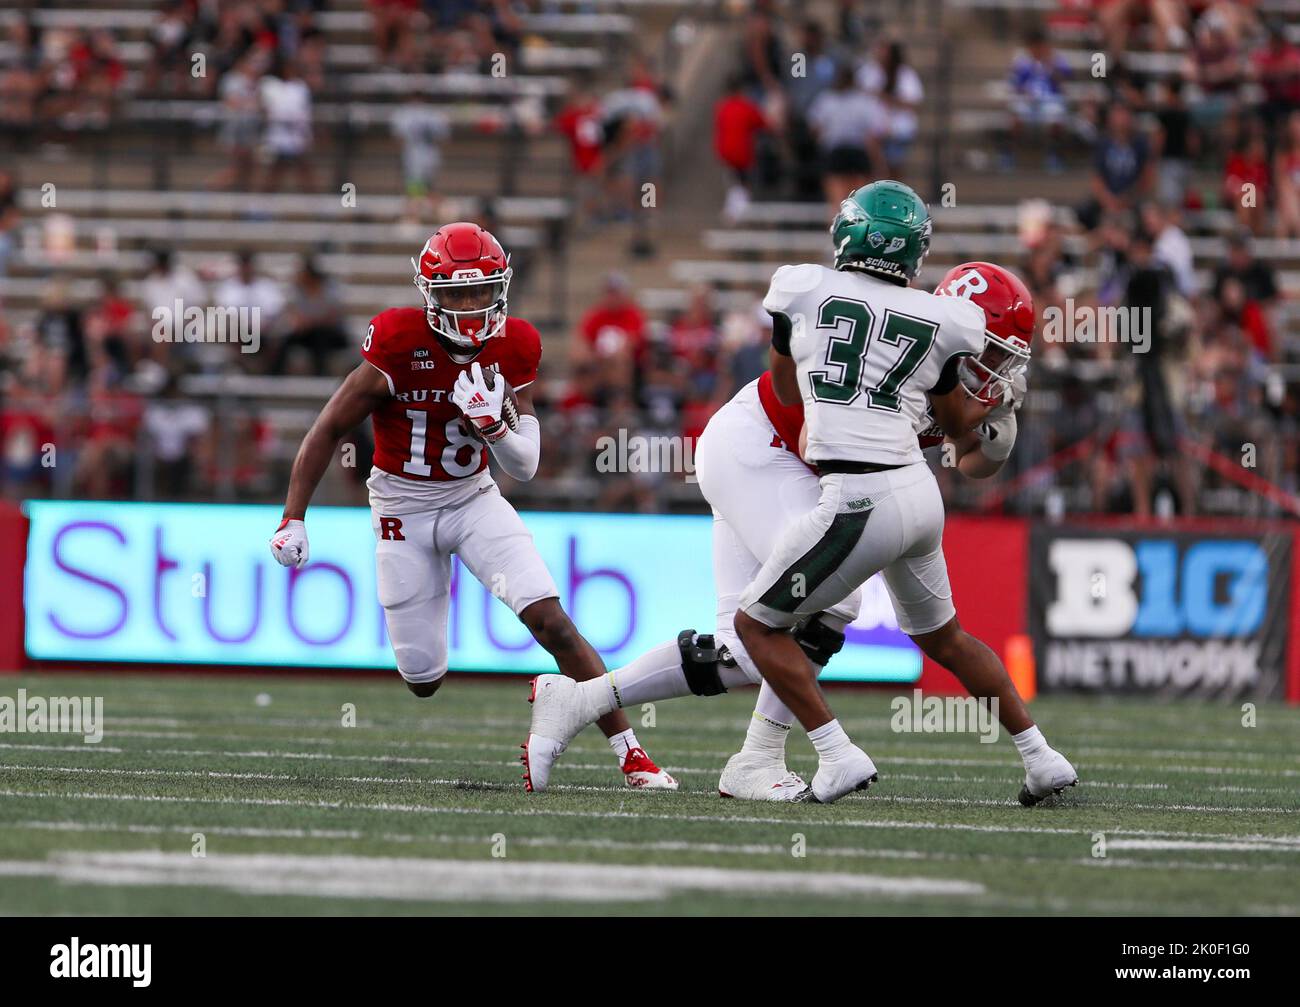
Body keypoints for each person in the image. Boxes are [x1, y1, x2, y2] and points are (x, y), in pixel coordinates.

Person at [528, 185, 1077, 806]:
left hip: (819, 473)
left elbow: (964, 454)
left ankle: (598, 706)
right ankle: (787, 754)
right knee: (820, 612)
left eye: (1002, 358)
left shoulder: (922, 344)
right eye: (989, 353)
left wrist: (992, 436)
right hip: (761, 448)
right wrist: (973, 426)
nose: (992, 366)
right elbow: (821, 423)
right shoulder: (911, 341)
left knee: (747, 642)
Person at [268, 223, 675, 791]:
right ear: (430, 294)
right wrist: (294, 515)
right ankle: (436, 603)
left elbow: (525, 464)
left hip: (471, 500)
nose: (468, 306)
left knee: (552, 622)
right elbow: (329, 425)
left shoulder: (515, 345)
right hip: (401, 507)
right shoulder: (396, 340)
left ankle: (633, 755)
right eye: (456, 294)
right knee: (423, 677)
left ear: (500, 289)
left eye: (480, 291)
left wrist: (496, 426)